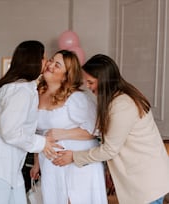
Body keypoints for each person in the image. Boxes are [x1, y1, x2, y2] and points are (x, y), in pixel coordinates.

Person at [52, 54, 169, 204]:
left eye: (90, 82)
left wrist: (73, 156)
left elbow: (109, 149)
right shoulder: (117, 100)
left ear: (104, 80)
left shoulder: (122, 105)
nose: (88, 86)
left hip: (146, 181)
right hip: (144, 179)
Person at [0, 40, 61, 204]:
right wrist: (42, 143)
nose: (47, 62)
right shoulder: (20, 90)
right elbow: (10, 131)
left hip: (9, 164)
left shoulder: (24, 88)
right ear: (33, 61)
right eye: (44, 58)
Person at [30, 50, 108, 204]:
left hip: (78, 163)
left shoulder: (76, 98)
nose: (50, 65)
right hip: (51, 165)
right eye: (51, 60)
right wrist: (36, 163)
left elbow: (94, 131)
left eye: (57, 65)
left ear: (66, 76)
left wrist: (63, 133)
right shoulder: (35, 94)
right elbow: (38, 132)